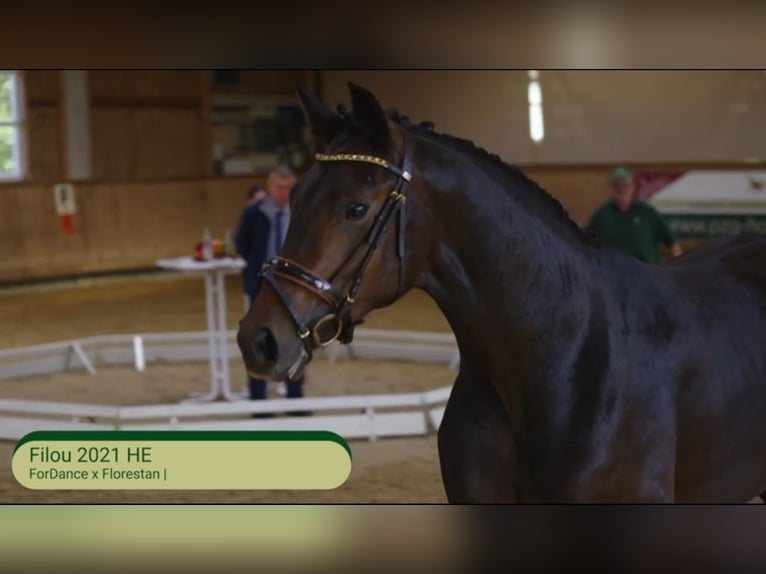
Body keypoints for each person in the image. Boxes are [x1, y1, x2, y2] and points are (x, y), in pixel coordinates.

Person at [235, 165, 311, 416]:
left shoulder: (302, 213)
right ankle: (259, 403)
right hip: (262, 287)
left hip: (294, 289)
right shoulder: (254, 213)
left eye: (289, 188)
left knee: (297, 342)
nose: (284, 192)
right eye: (279, 187)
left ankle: (295, 400)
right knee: (258, 341)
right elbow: (242, 244)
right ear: (270, 188)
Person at [586, 166, 682, 264]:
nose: (621, 189)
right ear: (611, 189)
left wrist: (677, 270)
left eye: (626, 185)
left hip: (646, 275)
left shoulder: (647, 212)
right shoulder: (602, 215)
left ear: (633, 187)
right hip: (612, 275)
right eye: (617, 186)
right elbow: (585, 245)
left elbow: (672, 242)